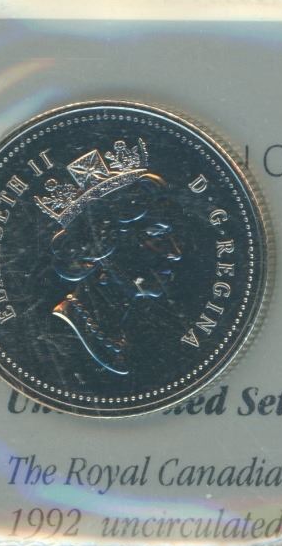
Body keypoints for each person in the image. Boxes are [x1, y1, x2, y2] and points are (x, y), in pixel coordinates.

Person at [37, 140, 184, 375]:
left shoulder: (121, 335)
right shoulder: (59, 336)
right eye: (156, 237)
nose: (175, 254)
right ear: (102, 251)